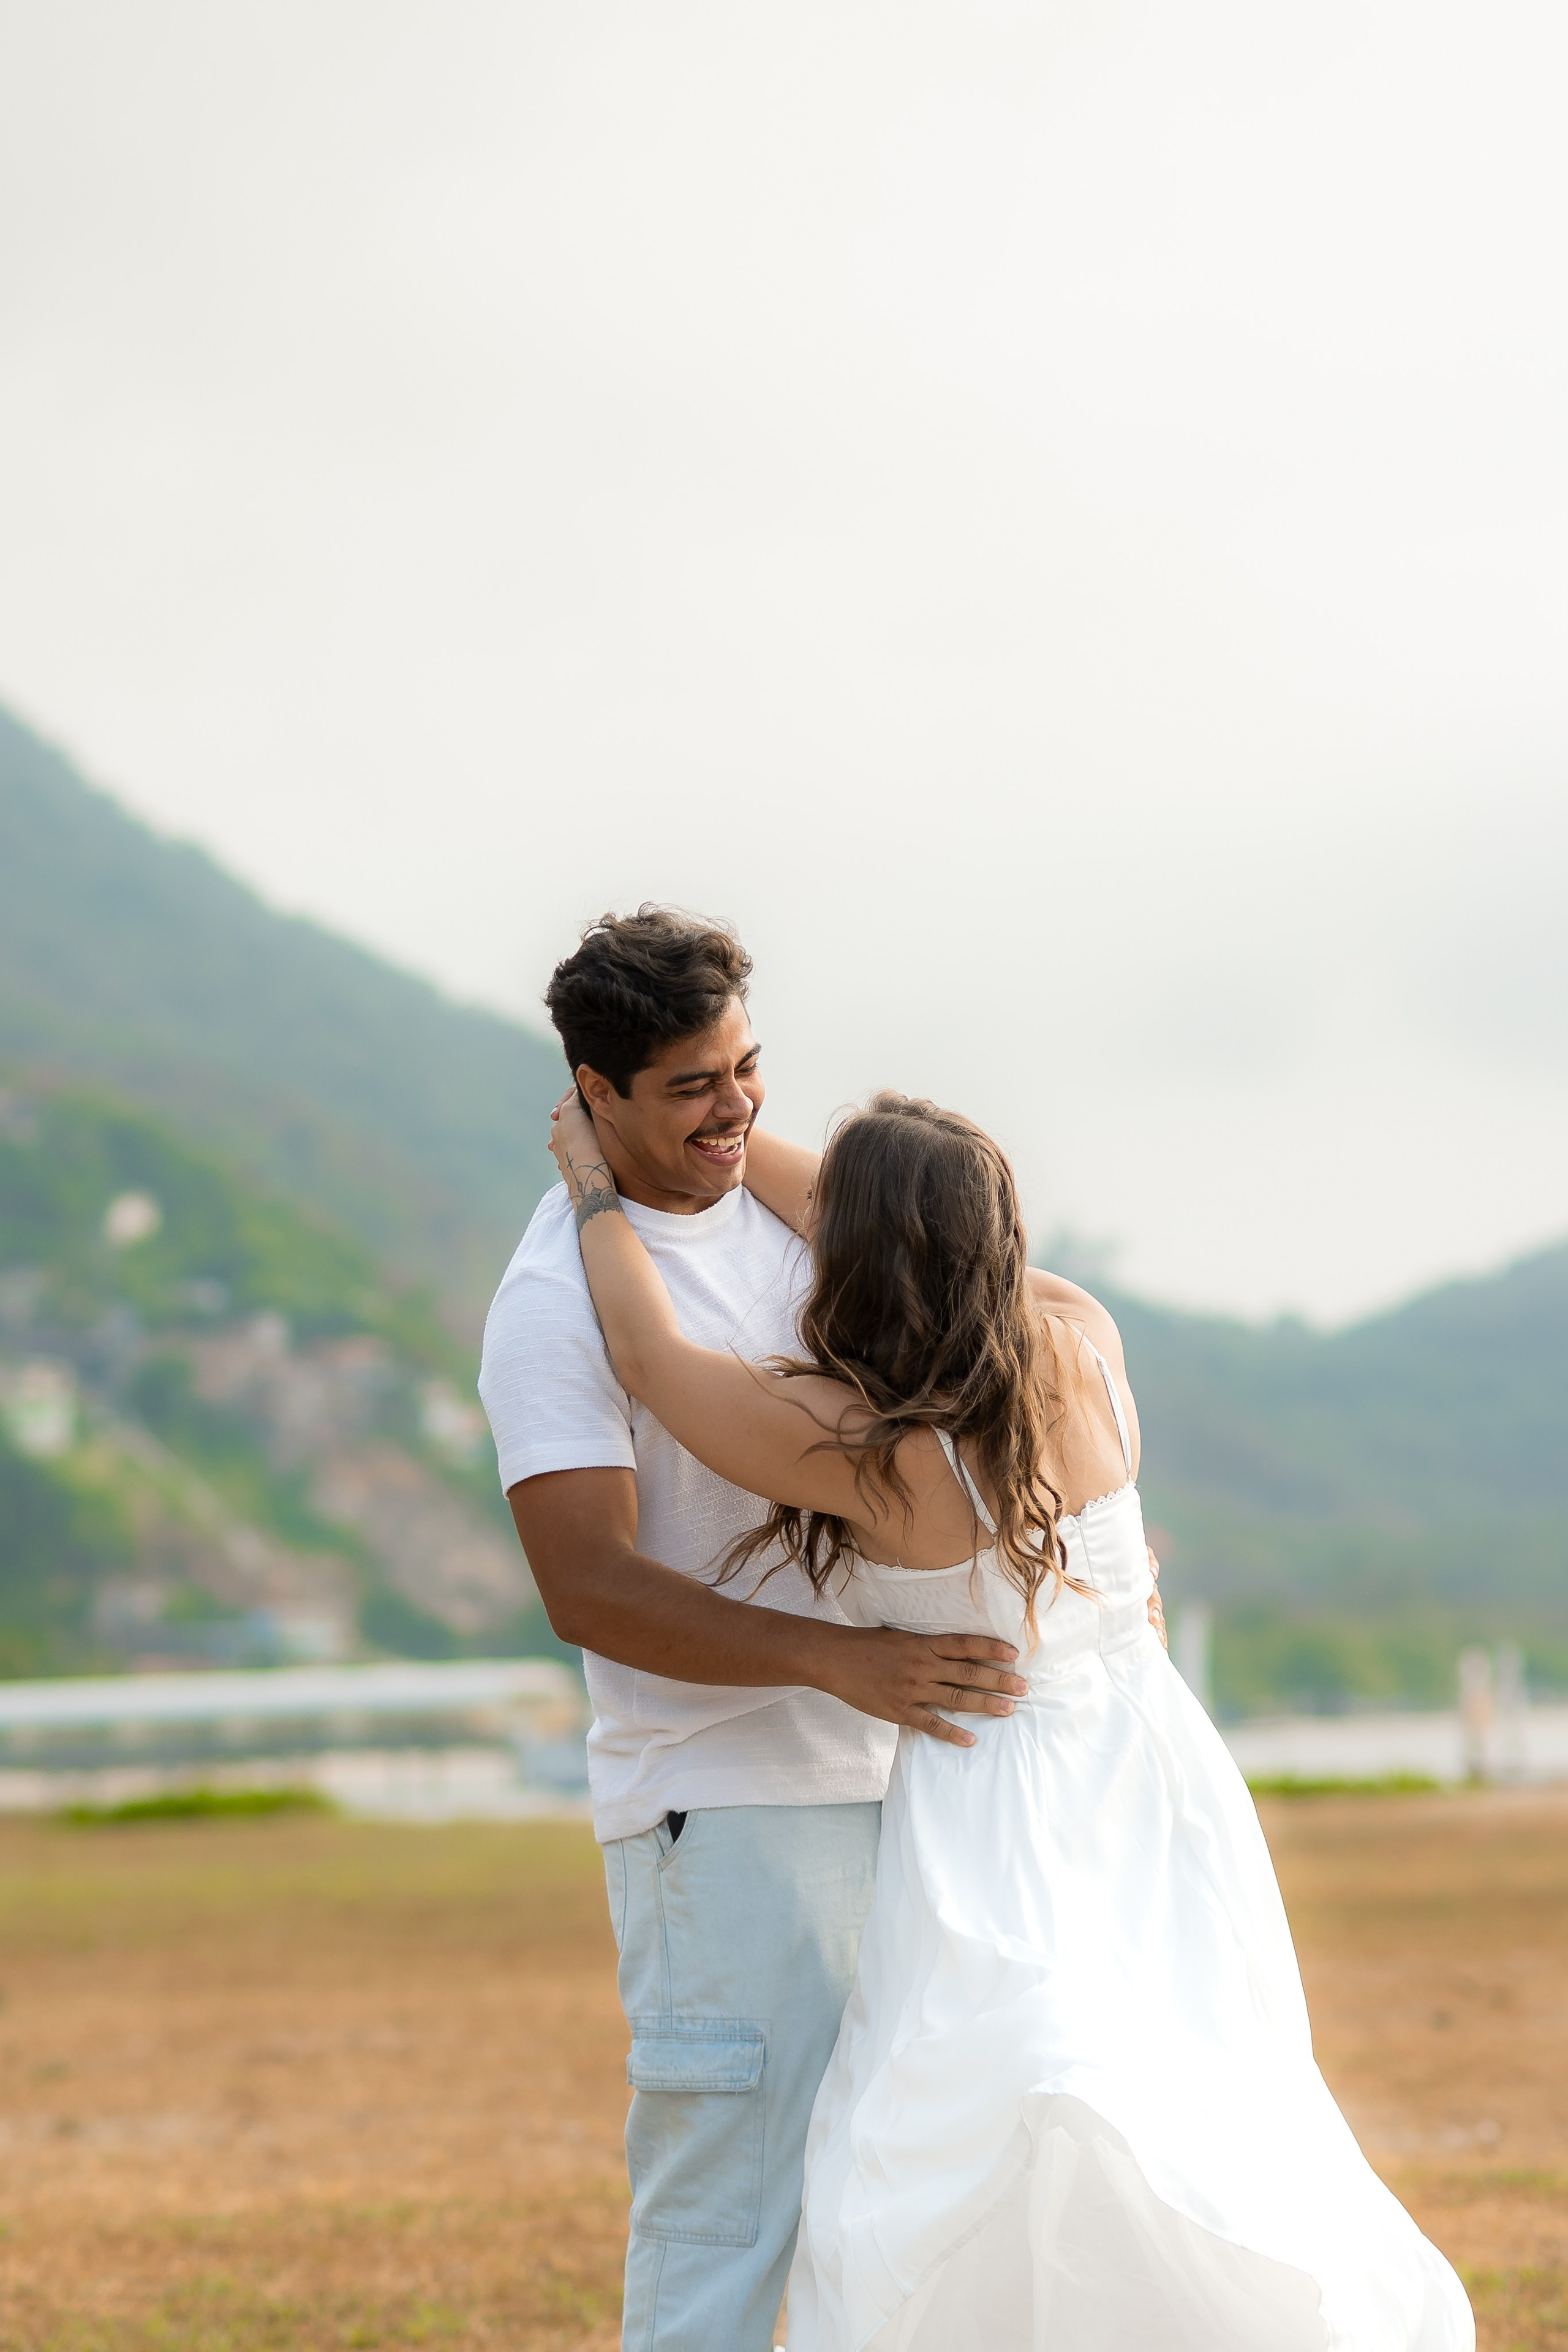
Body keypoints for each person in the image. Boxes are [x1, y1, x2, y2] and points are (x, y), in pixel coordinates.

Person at [546, 1084, 1475, 2352]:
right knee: (1189, 2088)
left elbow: (651, 1360)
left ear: (856, 1257)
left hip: (1005, 1798)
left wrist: (604, 1172)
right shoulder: (1080, 1342)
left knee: (983, 2120)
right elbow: (895, 1222)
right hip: (1154, 1771)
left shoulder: (874, 1452)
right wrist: (730, 1123)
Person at [478, 909, 1032, 2352]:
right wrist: (835, 1660)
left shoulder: (788, 1212)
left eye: (746, 1068)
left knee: (904, 2215)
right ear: (594, 1096)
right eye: (689, 1086)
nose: (734, 1109)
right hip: (723, 1815)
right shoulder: (552, 1303)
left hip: (911, 1785)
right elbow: (584, 1586)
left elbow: (927, 1246)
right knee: (727, 2228)